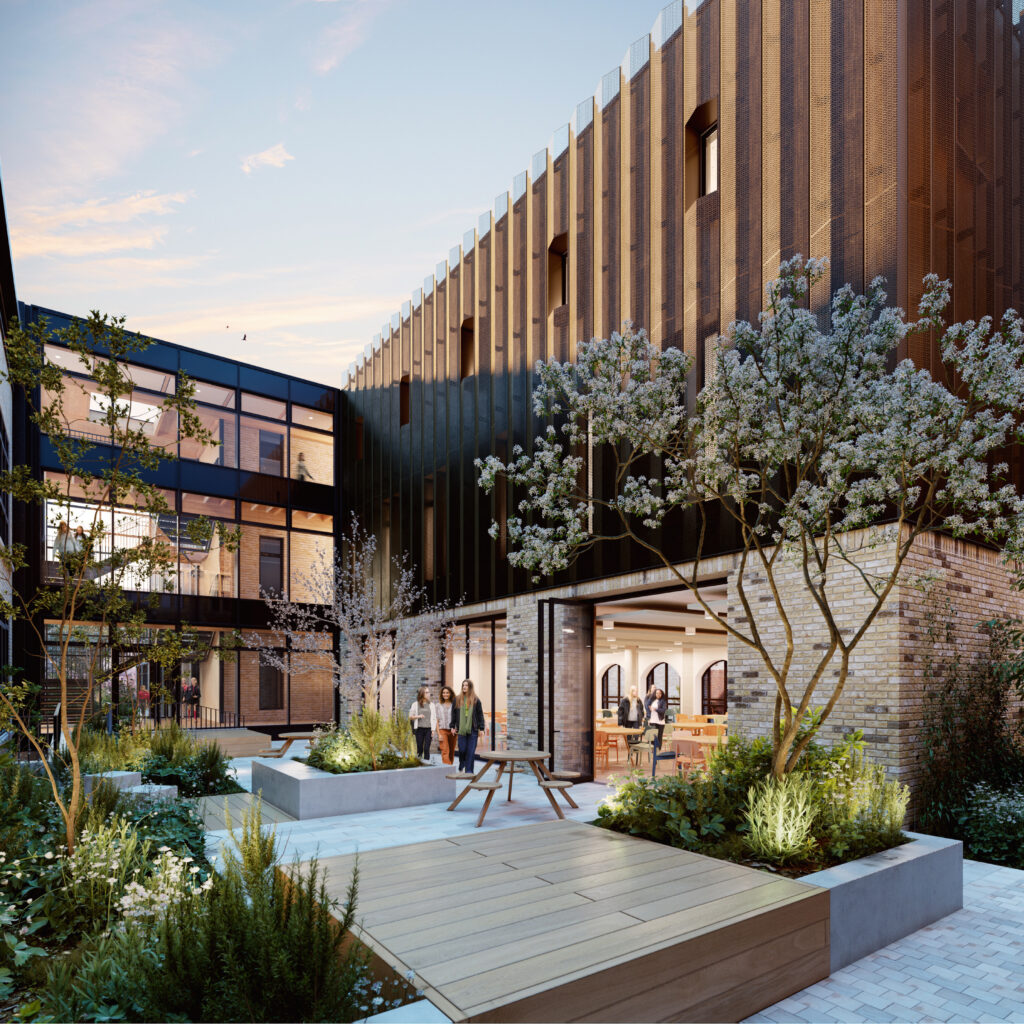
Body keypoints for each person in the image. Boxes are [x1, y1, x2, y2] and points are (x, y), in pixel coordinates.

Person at [454, 678, 485, 774]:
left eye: (466, 685)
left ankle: (469, 771)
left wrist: (481, 728)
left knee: (471, 751)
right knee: (462, 749)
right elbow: (453, 714)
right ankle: (462, 764)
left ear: (470, 687)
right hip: (461, 728)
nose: (464, 687)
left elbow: (480, 715)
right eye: (463, 685)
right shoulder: (457, 699)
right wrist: (452, 726)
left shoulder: (476, 700)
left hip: (473, 728)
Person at [408, 684, 438, 761]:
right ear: (422, 694)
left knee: (426, 748)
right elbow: (410, 717)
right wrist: (418, 716)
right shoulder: (415, 704)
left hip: (429, 729)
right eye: (426, 692)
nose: (428, 694)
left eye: (428, 692)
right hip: (419, 729)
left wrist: (433, 730)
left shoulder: (431, 705)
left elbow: (434, 718)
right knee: (420, 748)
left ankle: (427, 764)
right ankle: (420, 763)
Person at [435, 684, 457, 765]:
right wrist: (439, 734)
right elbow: (436, 720)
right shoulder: (438, 705)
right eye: (443, 693)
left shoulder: (455, 705)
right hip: (442, 730)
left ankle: (450, 768)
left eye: (447, 693)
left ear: (450, 694)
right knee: (445, 751)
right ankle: (447, 769)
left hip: (453, 731)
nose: (445, 694)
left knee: (451, 751)